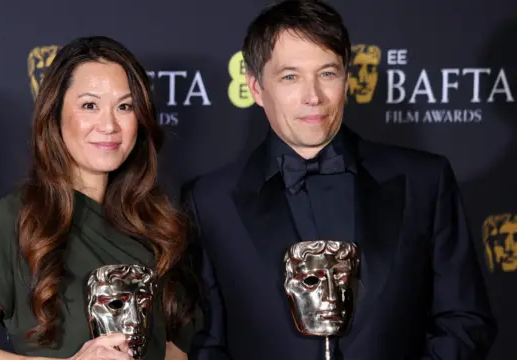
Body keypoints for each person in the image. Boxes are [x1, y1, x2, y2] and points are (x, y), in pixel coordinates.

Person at [183, 1, 497, 359]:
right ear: (256, 88)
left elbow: (465, 320)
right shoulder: (209, 201)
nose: (313, 97)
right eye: (290, 77)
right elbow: (207, 343)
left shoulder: (424, 180)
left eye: (327, 74)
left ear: (346, 80)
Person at [0, 36, 199, 360]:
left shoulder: (160, 225)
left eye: (125, 106)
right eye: (90, 105)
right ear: (55, 114)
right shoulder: (11, 221)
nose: (109, 124)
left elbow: (172, 350)